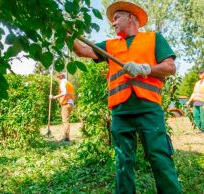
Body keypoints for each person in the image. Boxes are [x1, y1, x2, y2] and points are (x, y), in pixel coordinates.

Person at [72, 1, 181, 193]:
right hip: (121, 112)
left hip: (149, 110)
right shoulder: (109, 45)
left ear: (130, 17)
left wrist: (145, 68)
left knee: (159, 157)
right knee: (123, 162)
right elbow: (82, 50)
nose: (113, 23)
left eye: (116, 18)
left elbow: (170, 68)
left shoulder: (154, 38)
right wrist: (65, 33)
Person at [49, 73, 75, 141]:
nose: (58, 79)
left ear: (61, 77)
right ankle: (66, 135)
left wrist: (54, 97)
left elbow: (64, 93)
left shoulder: (63, 82)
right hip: (71, 104)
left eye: (58, 77)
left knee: (65, 121)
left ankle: (66, 137)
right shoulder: (68, 83)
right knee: (66, 120)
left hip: (66, 104)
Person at [186, 68, 204, 132]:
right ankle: (200, 129)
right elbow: (194, 93)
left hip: (203, 103)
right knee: (196, 116)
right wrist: (189, 101)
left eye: (201, 73)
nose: (199, 74)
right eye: (199, 73)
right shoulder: (197, 83)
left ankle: (203, 130)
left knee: (203, 118)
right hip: (196, 102)